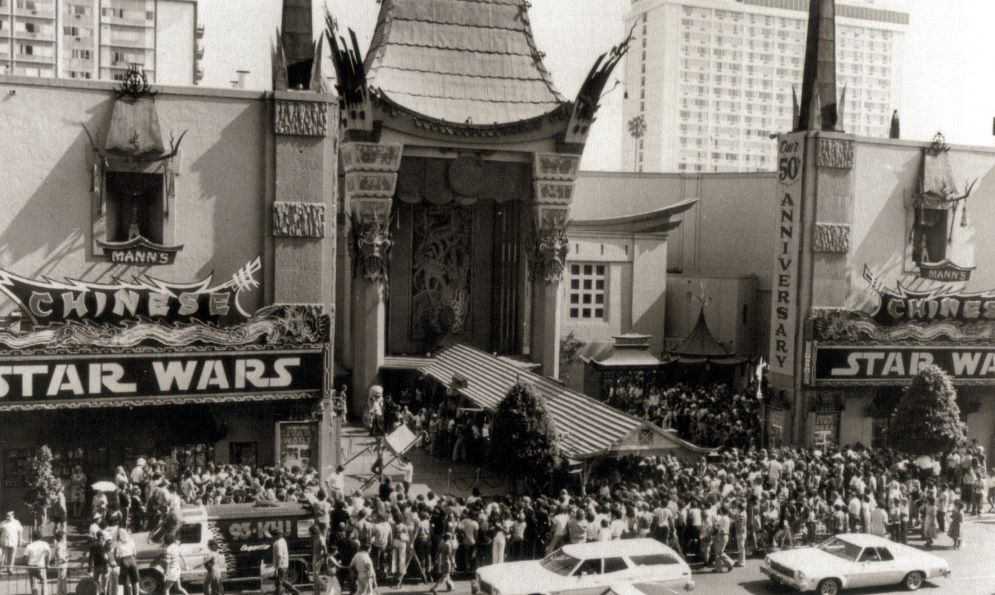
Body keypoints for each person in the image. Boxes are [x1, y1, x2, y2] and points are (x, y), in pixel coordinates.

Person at [271, 529, 299, 595]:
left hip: (281, 565)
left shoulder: (278, 543)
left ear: (277, 535)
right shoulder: (283, 540)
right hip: (284, 564)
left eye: (273, 535)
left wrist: (277, 568)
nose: (273, 537)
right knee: (282, 581)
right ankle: (295, 592)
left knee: (279, 582)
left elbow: (279, 556)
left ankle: (295, 592)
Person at [115, 528, 140, 595]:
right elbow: (135, 552)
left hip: (124, 561)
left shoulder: (118, 543)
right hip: (132, 559)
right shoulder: (131, 540)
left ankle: (128, 593)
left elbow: (117, 555)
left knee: (124, 581)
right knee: (135, 581)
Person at [0, 511, 23, 575]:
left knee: (12, 556)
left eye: (9, 516)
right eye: (6, 516)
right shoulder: (3, 523)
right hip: (4, 542)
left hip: (13, 542)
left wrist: (20, 541)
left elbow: (20, 532)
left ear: (13, 516)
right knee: (2, 555)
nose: (7, 517)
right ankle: (1, 568)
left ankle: (10, 569)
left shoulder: (16, 523)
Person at [52, 531, 69, 595]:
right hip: (61, 563)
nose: (66, 538)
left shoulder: (61, 544)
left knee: (62, 578)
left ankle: (61, 592)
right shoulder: (59, 545)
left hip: (62, 563)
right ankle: (61, 592)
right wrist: (64, 559)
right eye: (64, 537)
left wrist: (67, 556)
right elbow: (58, 554)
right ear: (61, 538)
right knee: (62, 578)